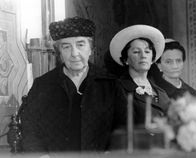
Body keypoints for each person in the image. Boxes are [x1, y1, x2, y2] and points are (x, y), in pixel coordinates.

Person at [21, 16, 126, 154]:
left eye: (80, 45)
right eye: (66, 47)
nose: (74, 53)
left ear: (91, 49)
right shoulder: (43, 85)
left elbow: (124, 128)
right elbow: (29, 129)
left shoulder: (110, 85)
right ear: (59, 53)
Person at [109, 25, 170, 125]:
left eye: (147, 51)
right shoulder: (118, 89)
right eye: (136, 52)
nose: (143, 56)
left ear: (152, 59)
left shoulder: (162, 93)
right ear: (126, 59)